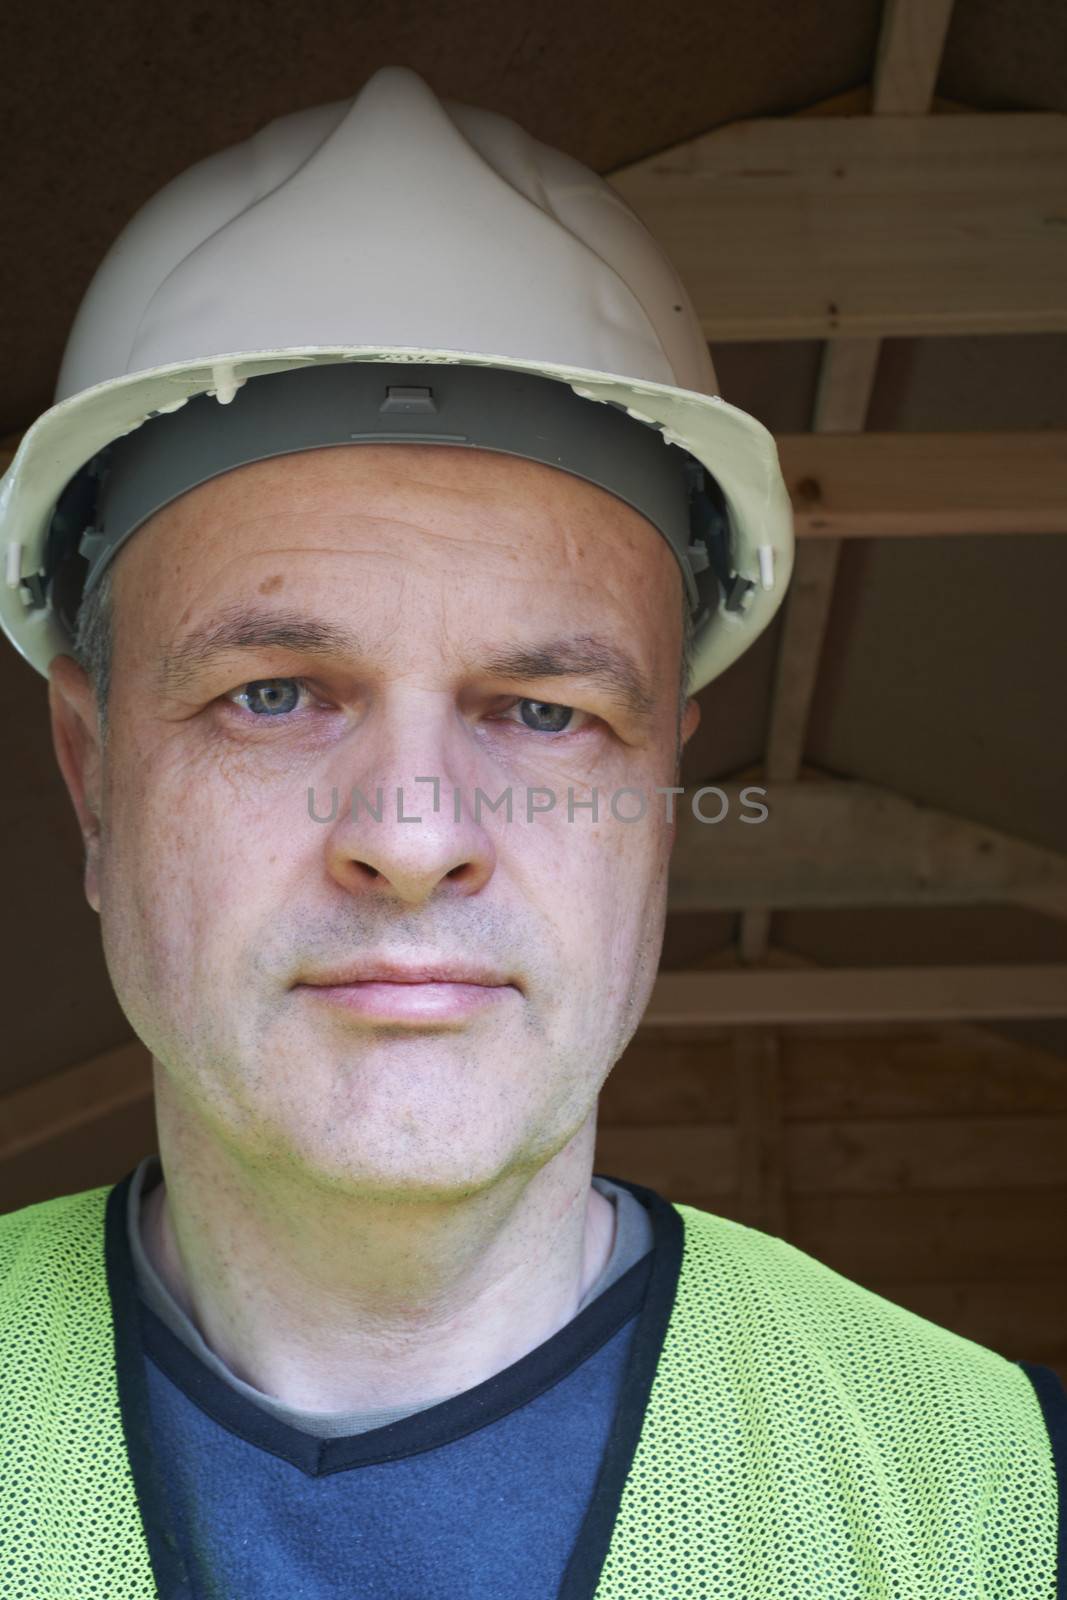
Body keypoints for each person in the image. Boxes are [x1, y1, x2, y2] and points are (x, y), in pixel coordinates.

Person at [0, 65, 1062, 1600]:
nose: (416, 838)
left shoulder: (992, 1504)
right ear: (94, 779)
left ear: (662, 817)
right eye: (278, 692)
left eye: (546, 714)